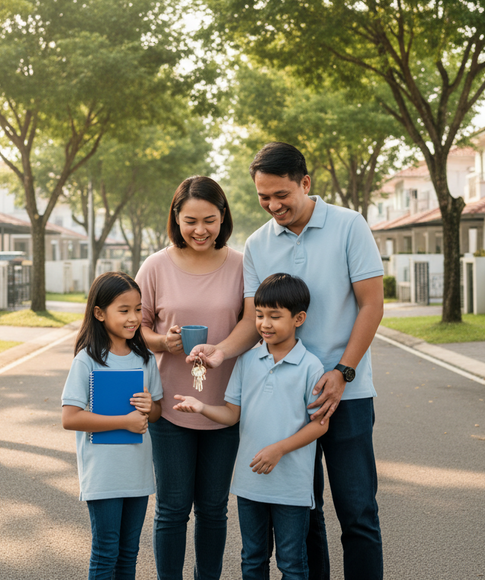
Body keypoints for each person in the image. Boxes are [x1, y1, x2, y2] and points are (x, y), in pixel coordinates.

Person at [189, 142, 385, 580]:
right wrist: (220, 352)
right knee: (305, 511)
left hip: (346, 393)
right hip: (284, 401)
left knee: (358, 512)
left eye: (282, 195)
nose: (273, 205)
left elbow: (371, 305)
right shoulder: (258, 244)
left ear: (305, 183)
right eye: (264, 197)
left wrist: (342, 372)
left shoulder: (350, 226)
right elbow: (250, 319)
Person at [135, 175, 255, 580]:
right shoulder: (155, 266)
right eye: (190, 221)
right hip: (169, 406)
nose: (200, 230)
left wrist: (221, 351)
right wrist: (161, 343)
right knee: (171, 509)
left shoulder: (242, 264)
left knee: (213, 509)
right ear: (176, 218)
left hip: (225, 406)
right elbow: (138, 325)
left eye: (209, 219)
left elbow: (253, 323)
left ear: (223, 217)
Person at [175, 273, 328, 580]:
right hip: (250, 485)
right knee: (252, 559)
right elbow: (233, 414)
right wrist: (201, 406)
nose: (265, 324)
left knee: (292, 565)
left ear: (299, 318)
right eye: (259, 315)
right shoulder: (247, 360)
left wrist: (278, 450)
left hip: (291, 488)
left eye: (275, 316)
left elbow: (319, 426)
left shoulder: (311, 366)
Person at [61, 272, 163, 580]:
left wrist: (150, 408)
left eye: (137, 309)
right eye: (124, 310)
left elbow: (156, 411)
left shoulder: (145, 358)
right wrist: (125, 421)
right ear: (99, 313)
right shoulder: (88, 360)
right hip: (104, 473)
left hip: (137, 472)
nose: (134, 318)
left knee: (129, 554)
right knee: (106, 552)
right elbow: (70, 417)